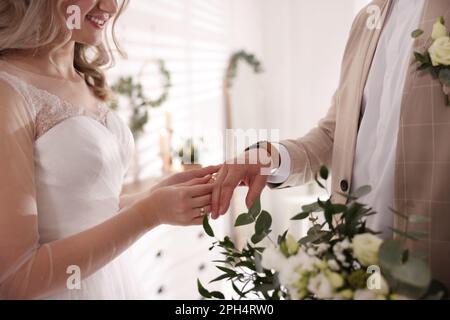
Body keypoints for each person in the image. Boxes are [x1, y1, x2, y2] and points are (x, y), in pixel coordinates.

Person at [212, 0, 450, 291]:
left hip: (431, 265)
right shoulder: (365, 21)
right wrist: (269, 157)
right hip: (351, 264)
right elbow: (334, 134)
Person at [0, 0, 219, 299]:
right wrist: (148, 213)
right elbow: (15, 280)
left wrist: (152, 196)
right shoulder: (8, 90)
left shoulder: (79, 78)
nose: (110, 6)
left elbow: (82, 211)